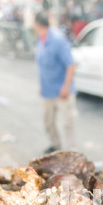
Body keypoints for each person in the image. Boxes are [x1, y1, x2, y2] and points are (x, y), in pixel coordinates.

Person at [34, 12, 77, 154]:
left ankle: (71, 151)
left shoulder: (58, 40)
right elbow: (42, 66)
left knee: (67, 122)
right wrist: (42, 86)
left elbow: (71, 65)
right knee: (48, 122)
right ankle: (55, 144)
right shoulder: (41, 40)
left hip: (61, 90)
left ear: (38, 25)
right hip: (48, 91)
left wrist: (66, 87)